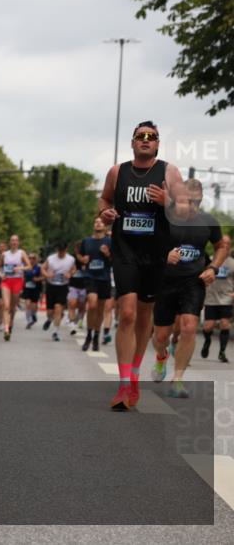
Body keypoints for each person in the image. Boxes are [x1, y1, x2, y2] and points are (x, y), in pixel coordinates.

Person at [98, 120, 185, 411]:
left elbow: (185, 210)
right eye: (140, 136)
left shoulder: (169, 172)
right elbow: (104, 199)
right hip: (125, 251)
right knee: (127, 312)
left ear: (158, 143)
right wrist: (106, 213)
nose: (146, 140)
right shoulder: (117, 171)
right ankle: (124, 385)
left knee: (145, 315)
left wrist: (167, 201)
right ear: (133, 142)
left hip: (155, 254)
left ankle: (134, 375)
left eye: (152, 137)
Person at [149, 180, 228, 396]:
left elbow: (222, 246)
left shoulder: (208, 221)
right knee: (160, 337)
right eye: (187, 200)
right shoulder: (166, 219)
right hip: (165, 282)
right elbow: (147, 245)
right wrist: (164, 255)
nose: (192, 204)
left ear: (202, 199)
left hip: (193, 282)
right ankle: (161, 356)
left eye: (196, 200)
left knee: (189, 327)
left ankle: (178, 379)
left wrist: (213, 267)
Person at [78, 218, 113, 351]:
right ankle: (88, 335)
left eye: (101, 222)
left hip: (104, 278)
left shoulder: (109, 241)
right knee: (92, 305)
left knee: (100, 309)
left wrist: (107, 253)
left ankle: (96, 337)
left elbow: (114, 260)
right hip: (90, 276)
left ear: (105, 226)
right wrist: (83, 259)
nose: (98, 223)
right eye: (96, 221)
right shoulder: (86, 241)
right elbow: (80, 256)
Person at [202, 236, 233, 362]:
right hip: (211, 298)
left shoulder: (232, 262)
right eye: (223, 243)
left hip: (226, 298)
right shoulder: (209, 261)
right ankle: (207, 341)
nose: (225, 246)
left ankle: (222, 352)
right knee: (208, 326)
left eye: (228, 244)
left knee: (225, 324)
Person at [0, 235, 31, 341]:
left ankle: (11, 323)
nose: (14, 242)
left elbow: (29, 266)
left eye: (16, 240)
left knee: (12, 307)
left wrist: (20, 268)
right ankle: (6, 330)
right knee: (6, 306)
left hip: (17, 281)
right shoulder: (4, 254)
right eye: (12, 240)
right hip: (6, 281)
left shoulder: (21, 253)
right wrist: (1, 275)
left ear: (18, 242)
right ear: (10, 242)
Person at [41, 243, 75, 342]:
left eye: (63, 250)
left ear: (66, 249)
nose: (61, 252)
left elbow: (74, 269)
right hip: (51, 286)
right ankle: (49, 319)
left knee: (58, 308)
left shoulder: (71, 259)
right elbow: (42, 268)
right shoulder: (51, 258)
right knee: (50, 312)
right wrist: (47, 274)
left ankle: (55, 332)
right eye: (59, 250)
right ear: (56, 249)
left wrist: (70, 274)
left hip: (63, 286)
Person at [23, 253, 43, 328]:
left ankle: (33, 315)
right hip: (27, 288)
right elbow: (22, 276)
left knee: (34, 306)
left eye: (33, 258)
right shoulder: (26, 267)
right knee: (27, 304)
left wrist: (38, 279)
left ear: (36, 259)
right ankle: (29, 321)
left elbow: (44, 277)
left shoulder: (39, 267)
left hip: (36, 288)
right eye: (30, 258)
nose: (31, 260)